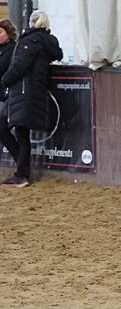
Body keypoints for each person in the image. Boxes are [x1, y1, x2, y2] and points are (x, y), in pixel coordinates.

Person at [1, 11, 63, 186]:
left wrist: (4, 80)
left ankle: (22, 173)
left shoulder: (28, 42)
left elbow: (20, 66)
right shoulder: (49, 43)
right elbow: (57, 56)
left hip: (23, 91)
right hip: (37, 91)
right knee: (20, 131)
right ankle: (22, 169)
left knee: (19, 131)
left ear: (31, 23)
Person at [0, 19, 19, 171]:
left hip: (6, 96)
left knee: (2, 129)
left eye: (0, 32)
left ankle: (20, 160)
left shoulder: (11, 49)